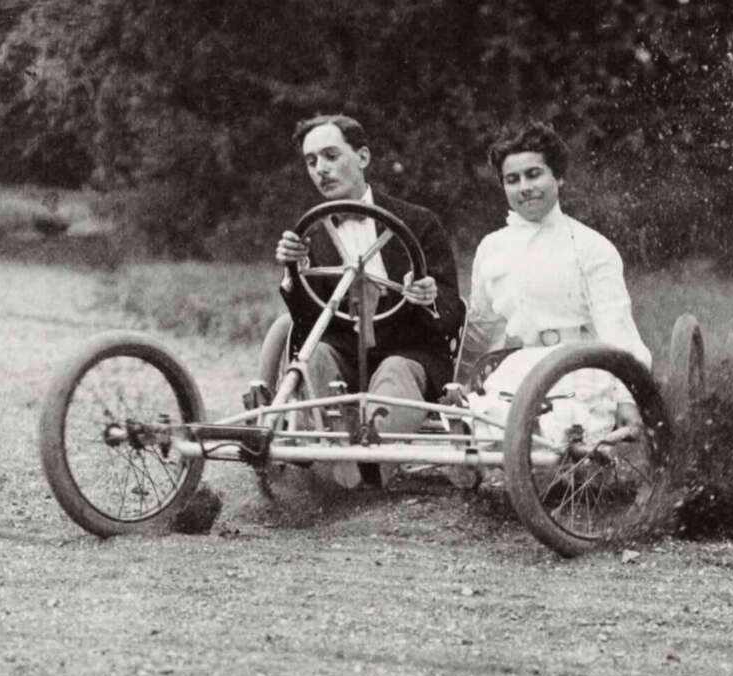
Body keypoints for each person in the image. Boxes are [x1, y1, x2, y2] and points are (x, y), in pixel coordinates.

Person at [275, 114, 465, 487]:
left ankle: (368, 467)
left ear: (362, 157)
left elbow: (452, 308)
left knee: (395, 370)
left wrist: (428, 295)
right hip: (345, 352)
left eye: (331, 156)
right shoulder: (312, 231)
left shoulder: (418, 221)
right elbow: (308, 322)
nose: (321, 170)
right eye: (311, 161)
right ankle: (331, 450)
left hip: (410, 350)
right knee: (315, 356)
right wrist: (293, 273)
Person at [459, 121, 650, 444]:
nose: (524, 188)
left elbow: (617, 329)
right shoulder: (493, 248)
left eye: (534, 174)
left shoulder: (590, 247)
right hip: (520, 366)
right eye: (512, 180)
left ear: (557, 177)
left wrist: (628, 399)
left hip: (580, 367)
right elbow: (482, 327)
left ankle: (534, 444)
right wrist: (461, 379)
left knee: (547, 430)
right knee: (483, 416)